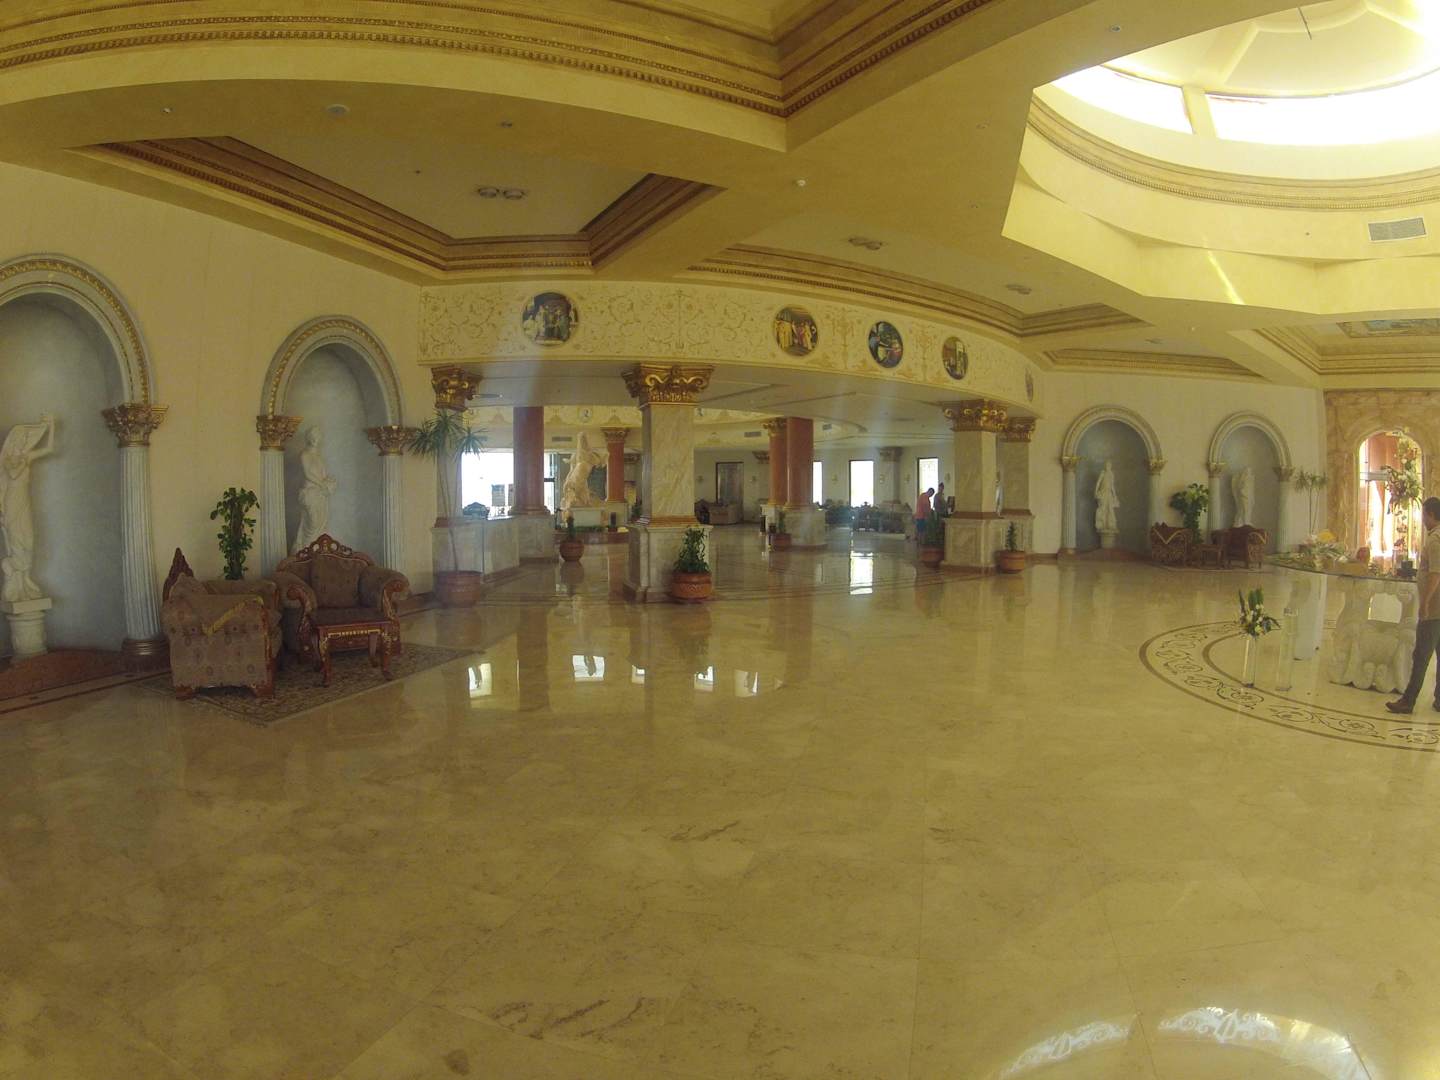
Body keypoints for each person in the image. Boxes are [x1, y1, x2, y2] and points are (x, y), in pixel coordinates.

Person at [1388, 496, 1440, 714]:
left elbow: (1435, 574)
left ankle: (1408, 701)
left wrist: (1425, 603)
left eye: (1424, 514)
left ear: (1430, 515)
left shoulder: (1435, 540)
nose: (1423, 518)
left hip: (1434, 608)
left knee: (1421, 655)